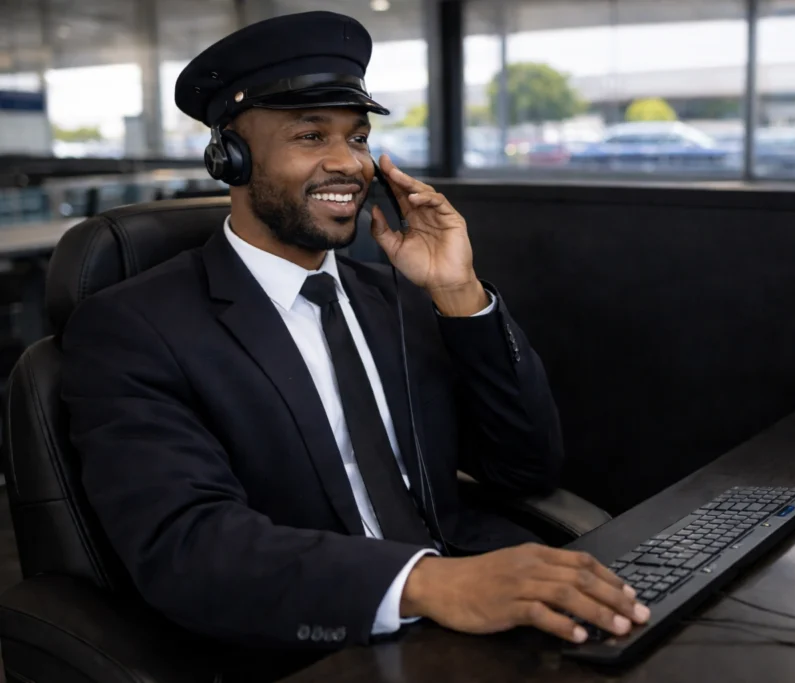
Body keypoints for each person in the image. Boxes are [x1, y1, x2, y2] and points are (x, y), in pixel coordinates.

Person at [60, 10, 649, 657]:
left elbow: (525, 464)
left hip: (471, 604)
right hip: (322, 640)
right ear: (230, 156)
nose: (349, 163)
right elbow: (191, 545)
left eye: (359, 137)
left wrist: (459, 293)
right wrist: (426, 583)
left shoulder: (388, 298)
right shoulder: (135, 328)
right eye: (312, 136)